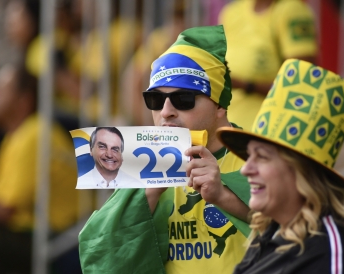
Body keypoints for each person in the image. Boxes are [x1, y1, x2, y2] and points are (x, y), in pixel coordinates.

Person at [78, 25, 251, 273]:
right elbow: (99, 259)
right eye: (156, 101)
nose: (166, 112)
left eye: (184, 100)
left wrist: (223, 196)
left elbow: (298, 231)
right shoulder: (144, 166)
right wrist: (146, 196)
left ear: (220, 106)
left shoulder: (258, 158)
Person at [216, 58, 344, 273]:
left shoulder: (332, 256)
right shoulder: (270, 234)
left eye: (262, 157)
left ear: (302, 170)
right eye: (249, 156)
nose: (246, 168)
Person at [0, 62, 82, 273]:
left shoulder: (33, 134)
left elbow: (5, 209)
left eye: (0, 91)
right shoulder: (15, 136)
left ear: (23, 100)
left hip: (62, 240)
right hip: (37, 234)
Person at [218, 0, 318, 130]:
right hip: (229, 132)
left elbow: (300, 84)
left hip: (268, 136)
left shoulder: (292, 10)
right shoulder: (231, 12)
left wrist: (246, 85)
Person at [77, 126, 144, 189]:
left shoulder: (136, 185)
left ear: (122, 155)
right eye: (102, 147)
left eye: (115, 149)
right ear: (91, 150)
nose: (109, 155)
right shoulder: (81, 181)